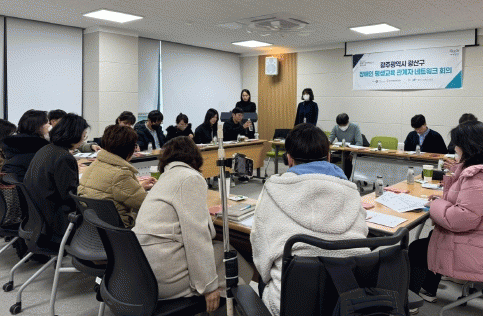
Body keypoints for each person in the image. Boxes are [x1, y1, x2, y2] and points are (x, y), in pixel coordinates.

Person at [250, 124, 369, 316]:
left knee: (263, 279)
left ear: (289, 159)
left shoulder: (272, 190)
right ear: (329, 157)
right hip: (347, 303)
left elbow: (261, 260)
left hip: (290, 306)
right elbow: (363, 233)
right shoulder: (352, 192)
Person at [408, 121, 483, 310]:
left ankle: (410, 302)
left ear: (466, 146)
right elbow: (468, 204)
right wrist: (446, 194)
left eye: (456, 144)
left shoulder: (479, 178)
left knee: (417, 249)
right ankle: (428, 289)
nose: (454, 148)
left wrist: (436, 205)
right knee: (433, 237)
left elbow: (458, 220)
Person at [133, 136, 252, 309]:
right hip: (165, 277)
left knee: (220, 250)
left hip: (144, 270)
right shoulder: (189, 178)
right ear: (194, 157)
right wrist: (208, 287)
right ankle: (240, 303)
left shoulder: (166, 177)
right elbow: (196, 237)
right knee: (232, 258)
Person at [24, 114, 89, 240]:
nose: (83, 139)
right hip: (57, 221)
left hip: (38, 217)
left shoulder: (46, 149)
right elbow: (70, 196)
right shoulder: (64, 157)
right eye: (84, 135)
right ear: (75, 134)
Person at [78, 125, 155, 228]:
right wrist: (159, 188)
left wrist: (140, 187)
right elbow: (145, 202)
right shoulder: (120, 174)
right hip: (119, 228)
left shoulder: (94, 165)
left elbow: (114, 191)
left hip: (95, 225)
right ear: (129, 149)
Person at [1, 110, 50, 183]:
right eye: (47, 123)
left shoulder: (8, 144)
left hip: (13, 186)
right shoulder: (43, 147)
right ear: (40, 126)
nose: (49, 126)